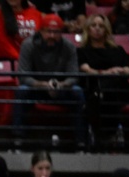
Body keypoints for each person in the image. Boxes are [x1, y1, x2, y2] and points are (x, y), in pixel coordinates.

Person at [13, 14, 87, 146]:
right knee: (21, 90)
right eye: (48, 31)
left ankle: (80, 139)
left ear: (61, 33)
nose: (52, 36)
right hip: (36, 87)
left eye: (56, 32)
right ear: (40, 31)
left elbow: (74, 76)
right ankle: (19, 138)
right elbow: (23, 75)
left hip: (60, 87)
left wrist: (61, 85)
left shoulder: (69, 47)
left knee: (78, 92)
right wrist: (42, 85)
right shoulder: (28, 44)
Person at [77, 15, 129, 137]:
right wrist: (107, 72)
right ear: (88, 29)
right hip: (93, 88)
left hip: (119, 89)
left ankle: (105, 136)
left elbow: (128, 70)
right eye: (94, 25)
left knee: (109, 90)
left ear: (106, 29)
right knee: (101, 90)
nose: (97, 28)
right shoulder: (82, 51)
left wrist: (119, 70)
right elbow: (86, 70)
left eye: (101, 26)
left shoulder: (118, 50)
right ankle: (110, 134)